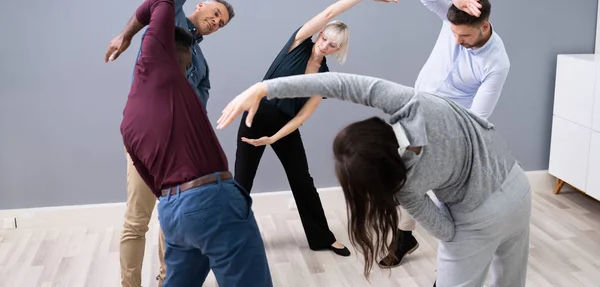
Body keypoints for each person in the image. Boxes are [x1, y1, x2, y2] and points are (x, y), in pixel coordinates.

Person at [216, 71, 531, 287]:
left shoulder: (404, 188)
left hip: (477, 219)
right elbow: (338, 83)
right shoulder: (411, 104)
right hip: (518, 186)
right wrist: (265, 88)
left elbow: (448, 231)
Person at [105, 0, 255, 287]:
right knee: (137, 219)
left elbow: (197, 109)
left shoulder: (201, 65)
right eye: (215, 13)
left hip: (180, 155)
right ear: (199, 5)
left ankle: (166, 279)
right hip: (147, 142)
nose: (216, 22)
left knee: (172, 214)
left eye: (222, 23)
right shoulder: (168, 19)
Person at [233, 0, 398, 256]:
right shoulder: (297, 44)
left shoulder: (324, 77)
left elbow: (302, 116)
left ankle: (321, 237)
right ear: (319, 34)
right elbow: (329, 13)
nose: (325, 45)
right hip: (258, 115)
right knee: (242, 180)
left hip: (286, 126)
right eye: (325, 38)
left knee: (302, 180)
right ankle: (231, 239)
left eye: (333, 45)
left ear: (338, 50)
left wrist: (274, 139)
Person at [379, 0, 511, 268]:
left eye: (464, 35)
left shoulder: (496, 63)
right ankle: (404, 236)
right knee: (398, 178)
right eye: (453, 33)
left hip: (450, 129)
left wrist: (451, 149)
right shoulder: (453, 18)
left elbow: (477, 117)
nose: (457, 40)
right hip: (415, 112)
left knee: (445, 204)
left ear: (485, 27)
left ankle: (449, 271)